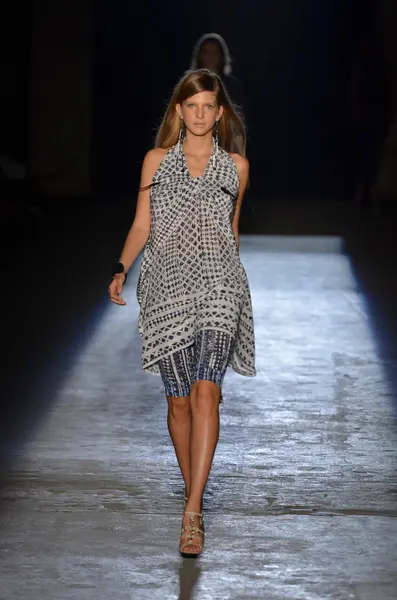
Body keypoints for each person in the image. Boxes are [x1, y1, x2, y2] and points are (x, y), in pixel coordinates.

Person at [108, 69, 256, 557]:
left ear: (219, 114)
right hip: (166, 286)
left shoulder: (236, 166)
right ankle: (194, 491)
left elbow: (232, 233)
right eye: (191, 106)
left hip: (219, 283)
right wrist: (121, 268)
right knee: (178, 401)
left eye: (208, 107)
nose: (199, 114)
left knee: (206, 391)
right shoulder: (156, 162)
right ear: (179, 111)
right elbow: (141, 223)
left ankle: (192, 511)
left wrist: (234, 285)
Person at [189, 33, 244, 112]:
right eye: (207, 52)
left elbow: (237, 115)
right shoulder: (189, 84)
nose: (211, 56)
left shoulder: (233, 86)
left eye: (215, 52)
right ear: (200, 55)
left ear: (221, 56)